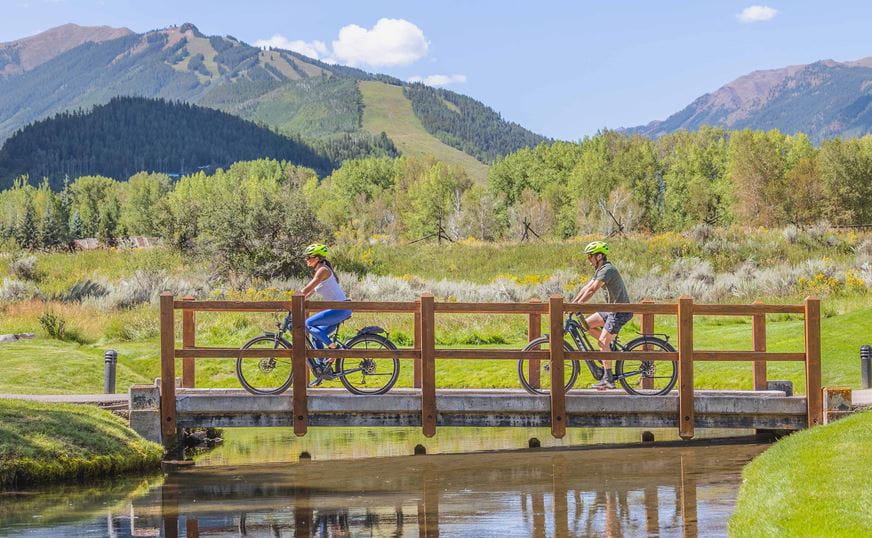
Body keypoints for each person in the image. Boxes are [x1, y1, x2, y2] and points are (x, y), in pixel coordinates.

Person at [571, 241, 633, 390]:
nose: (588, 259)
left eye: (590, 256)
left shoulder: (608, 270)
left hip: (619, 312)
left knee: (602, 343)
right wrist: (572, 303)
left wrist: (578, 305)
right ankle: (607, 348)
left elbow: (592, 290)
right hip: (611, 310)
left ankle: (608, 379)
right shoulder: (600, 270)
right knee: (584, 325)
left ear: (599, 256)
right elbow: (586, 288)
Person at [300, 243, 351, 385]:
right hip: (338, 309)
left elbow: (307, 288)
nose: (306, 260)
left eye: (308, 257)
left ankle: (335, 349)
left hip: (340, 309)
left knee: (308, 324)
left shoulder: (322, 270)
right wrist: (301, 299)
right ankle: (322, 370)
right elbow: (310, 292)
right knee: (316, 335)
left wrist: (296, 297)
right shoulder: (321, 270)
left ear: (317, 258)